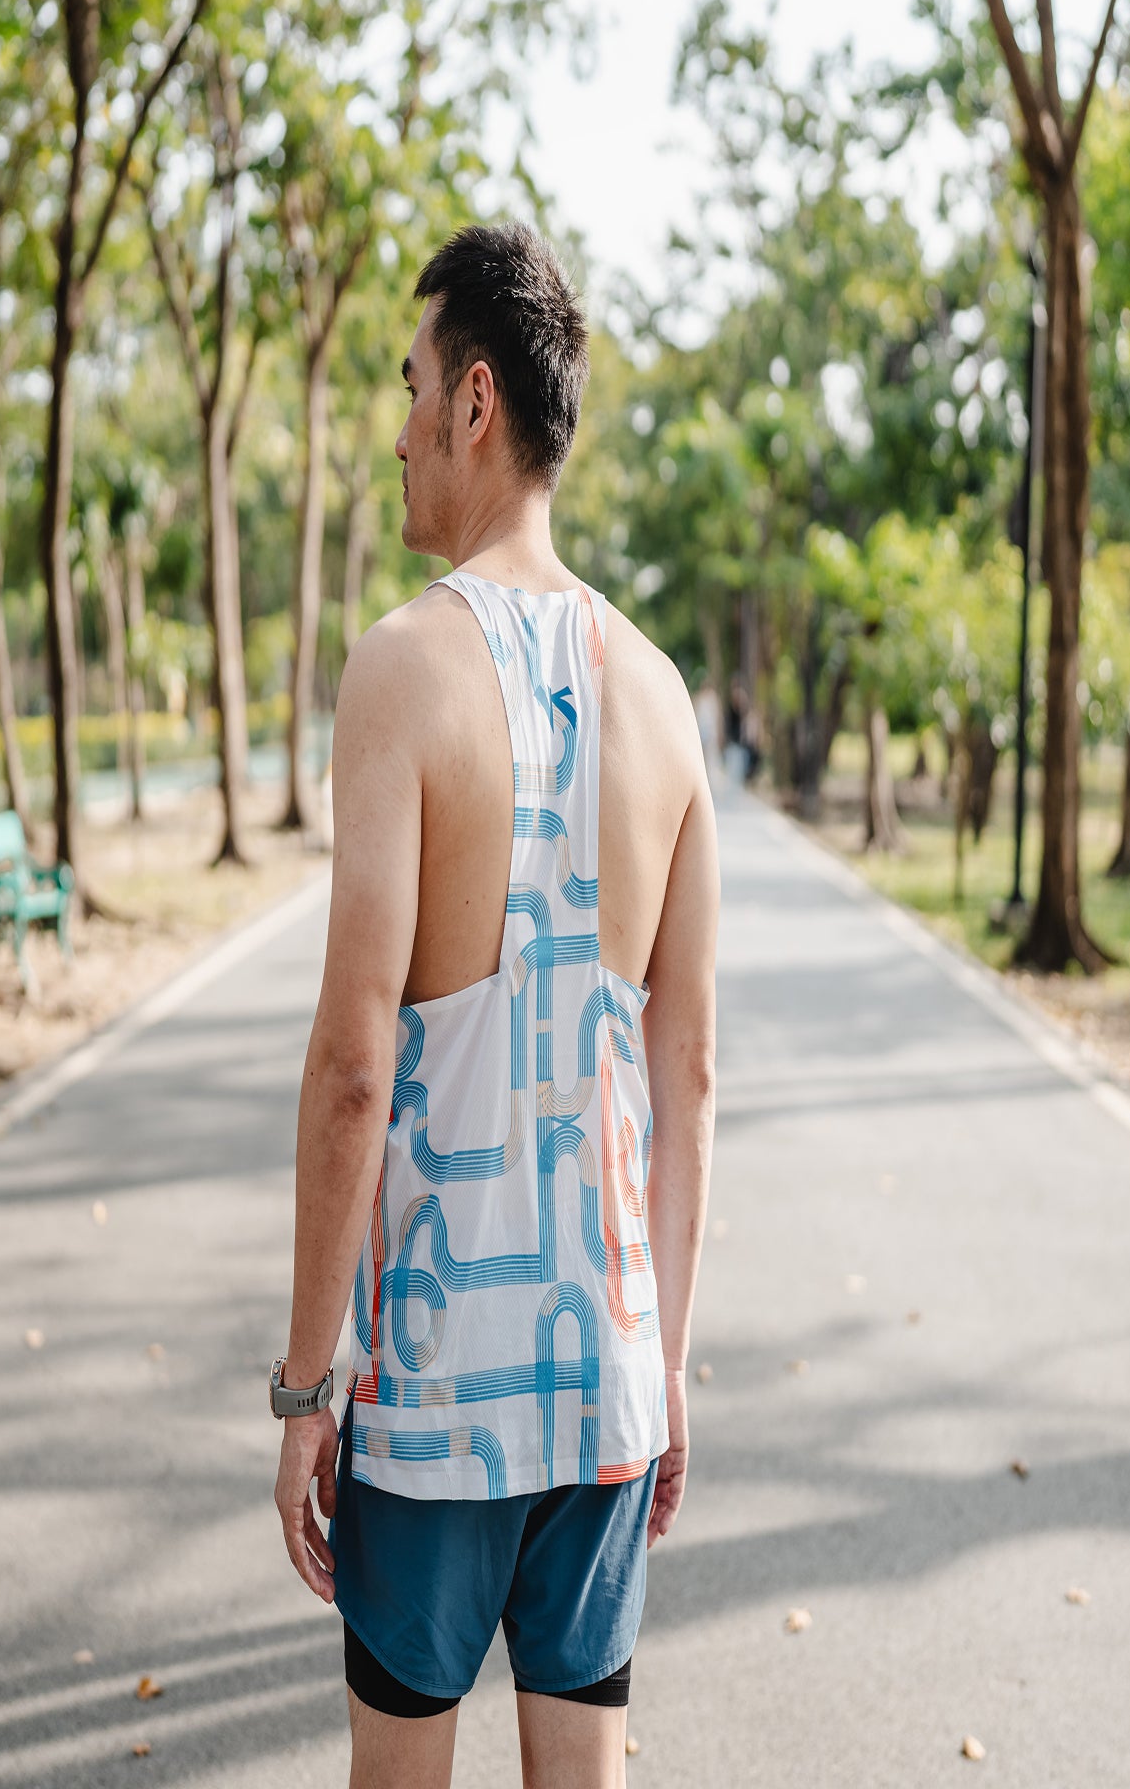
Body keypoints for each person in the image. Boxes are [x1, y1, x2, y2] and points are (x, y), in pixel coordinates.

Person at [273, 222, 719, 1789]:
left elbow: (350, 1068)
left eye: (406, 391)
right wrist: (664, 1364)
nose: (395, 434)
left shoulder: (400, 672)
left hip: (429, 1400)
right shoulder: (662, 697)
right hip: (602, 1383)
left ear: (474, 402)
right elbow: (693, 1074)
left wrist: (305, 1381)